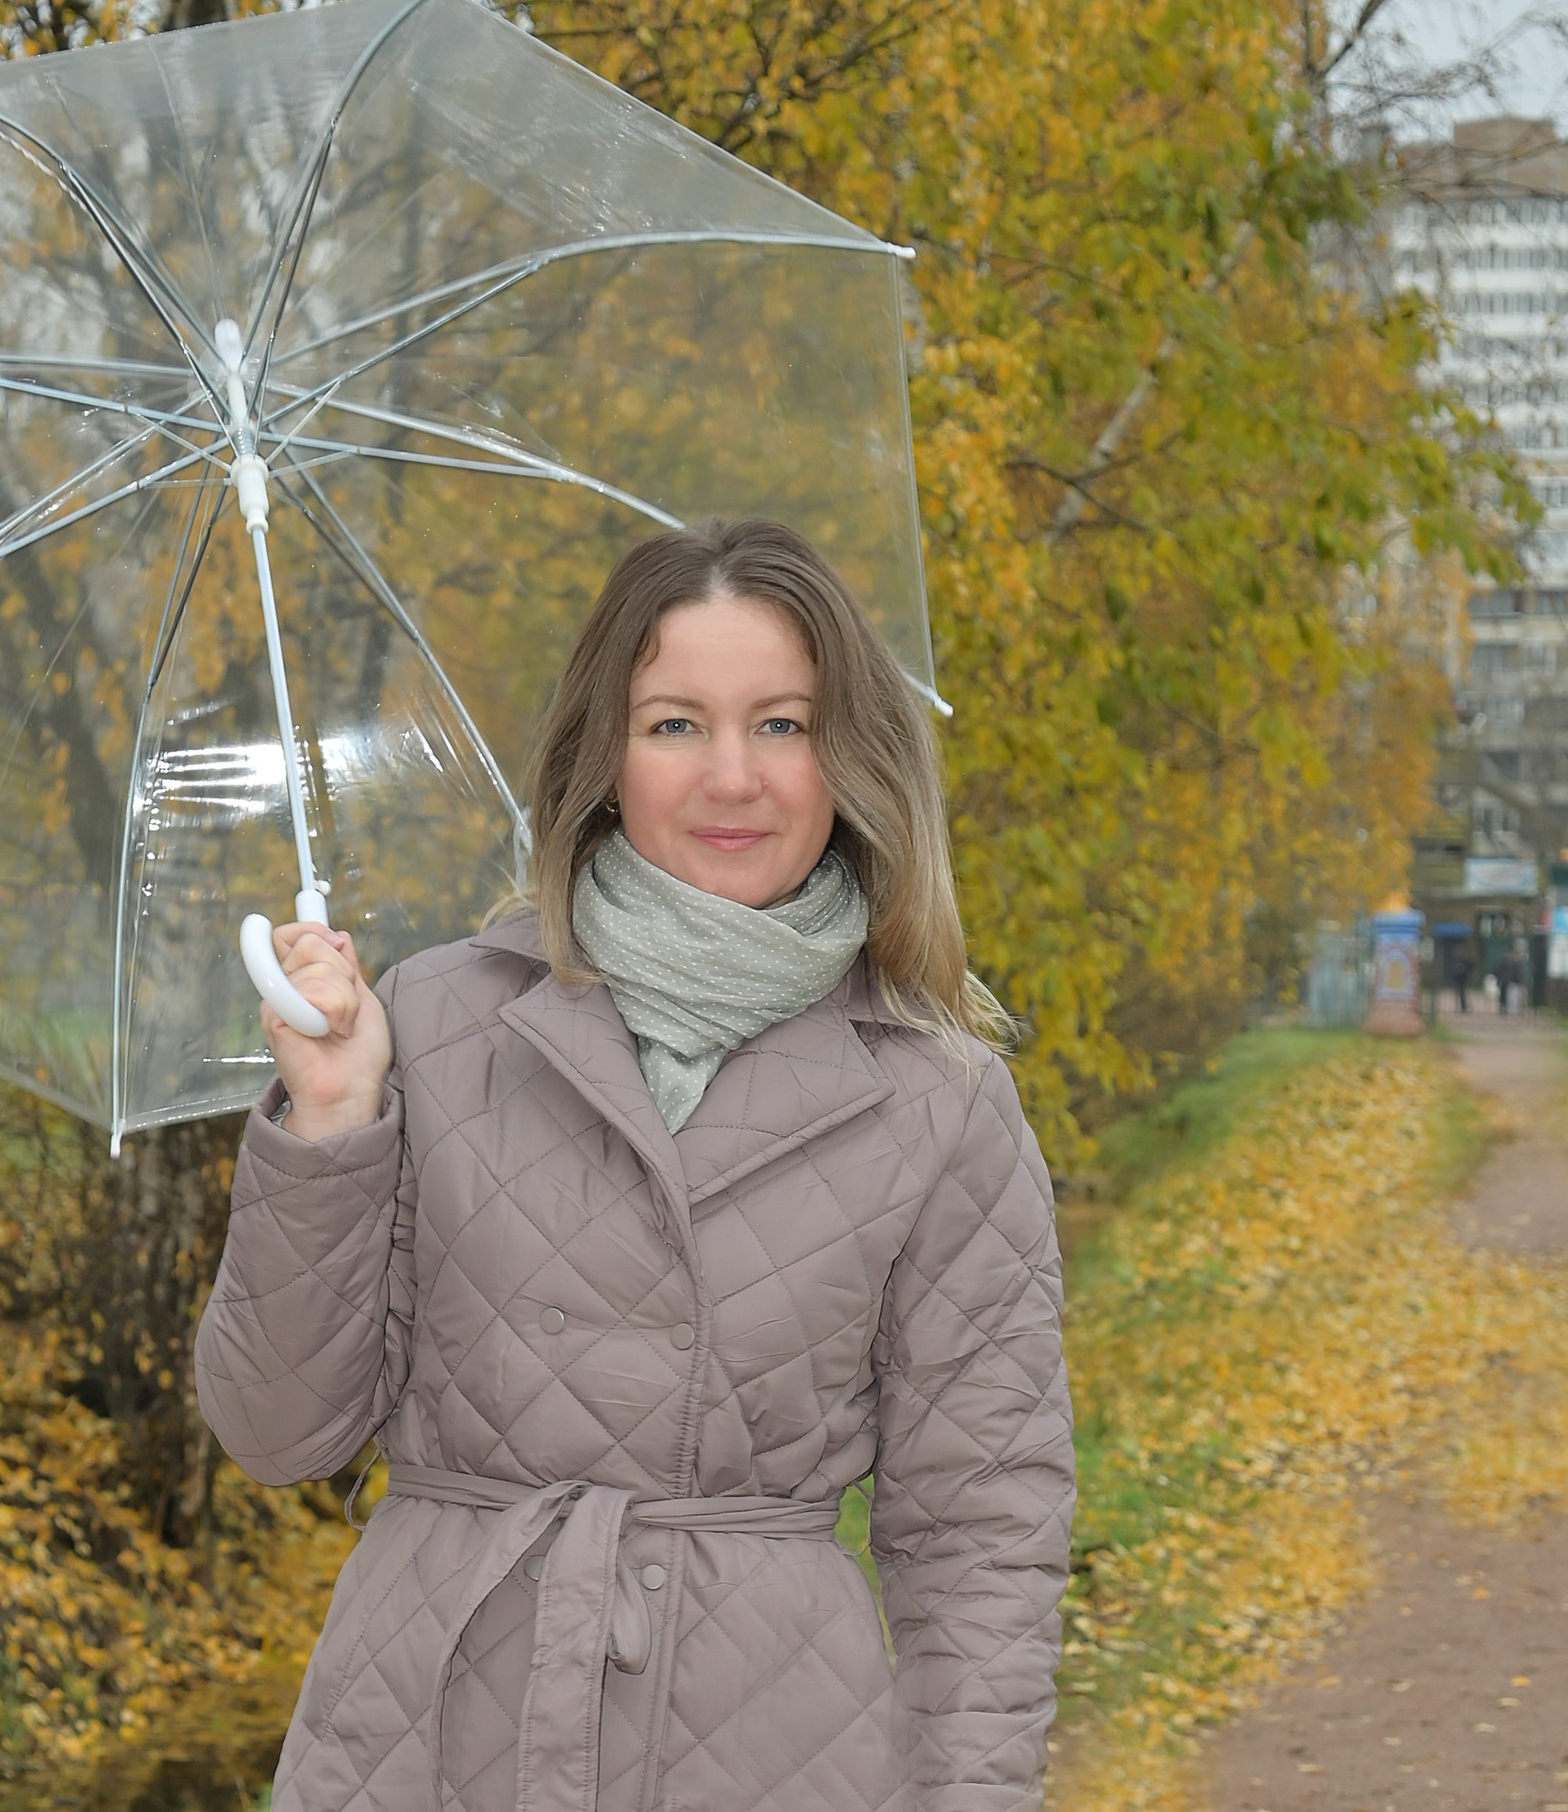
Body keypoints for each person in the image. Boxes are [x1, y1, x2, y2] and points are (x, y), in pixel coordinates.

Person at [195, 518, 1073, 1812]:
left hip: (777, 1748)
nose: (734, 775)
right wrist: (330, 1124)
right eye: (675, 724)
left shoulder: (940, 1098)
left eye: (781, 723)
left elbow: (982, 1534)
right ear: (605, 754)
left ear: (849, 756)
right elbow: (275, 1431)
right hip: (425, 1740)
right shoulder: (432, 1022)